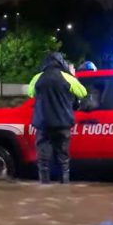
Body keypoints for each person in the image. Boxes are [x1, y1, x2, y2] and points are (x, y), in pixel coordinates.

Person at [28, 52, 88, 184]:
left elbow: (30, 93)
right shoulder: (67, 77)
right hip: (62, 124)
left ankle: (44, 186)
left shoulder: (37, 78)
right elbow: (83, 92)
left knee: (43, 159)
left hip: (43, 125)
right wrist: (72, 77)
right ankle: (64, 185)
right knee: (63, 158)